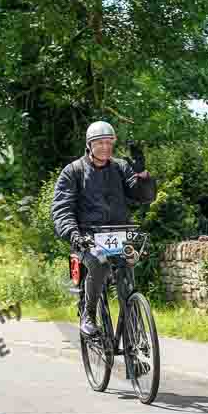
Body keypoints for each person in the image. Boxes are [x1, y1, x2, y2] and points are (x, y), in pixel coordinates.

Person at [51, 121, 157, 336]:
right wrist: (74, 234)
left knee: (128, 277)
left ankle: (133, 341)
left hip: (119, 235)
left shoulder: (120, 167)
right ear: (89, 145)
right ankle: (88, 314)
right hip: (86, 237)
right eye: (100, 143)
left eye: (109, 143)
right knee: (98, 264)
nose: (105, 147)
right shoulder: (74, 171)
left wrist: (142, 174)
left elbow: (145, 197)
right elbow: (62, 210)